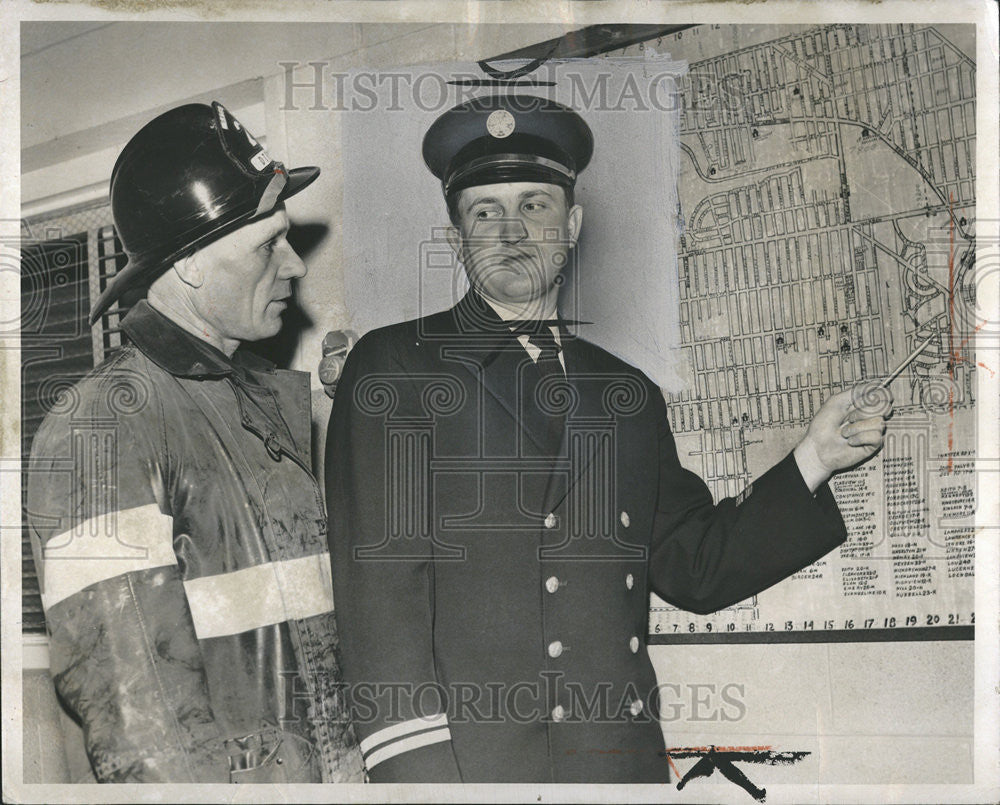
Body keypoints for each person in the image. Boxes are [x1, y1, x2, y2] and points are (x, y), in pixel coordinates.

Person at [324, 94, 892, 783]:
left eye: (534, 205)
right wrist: (421, 785)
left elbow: (695, 566)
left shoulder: (624, 392)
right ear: (455, 239)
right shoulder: (398, 368)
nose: (510, 232)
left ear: (573, 224)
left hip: (618, 768)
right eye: (484, 211)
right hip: (478, 772)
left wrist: (814, 458)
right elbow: (380, 608)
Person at [26, 102, 362, 783]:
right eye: (268, 245)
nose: (296, 266)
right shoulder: (100, 426)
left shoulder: (260, 400)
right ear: (190, 267)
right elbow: (143, 733)